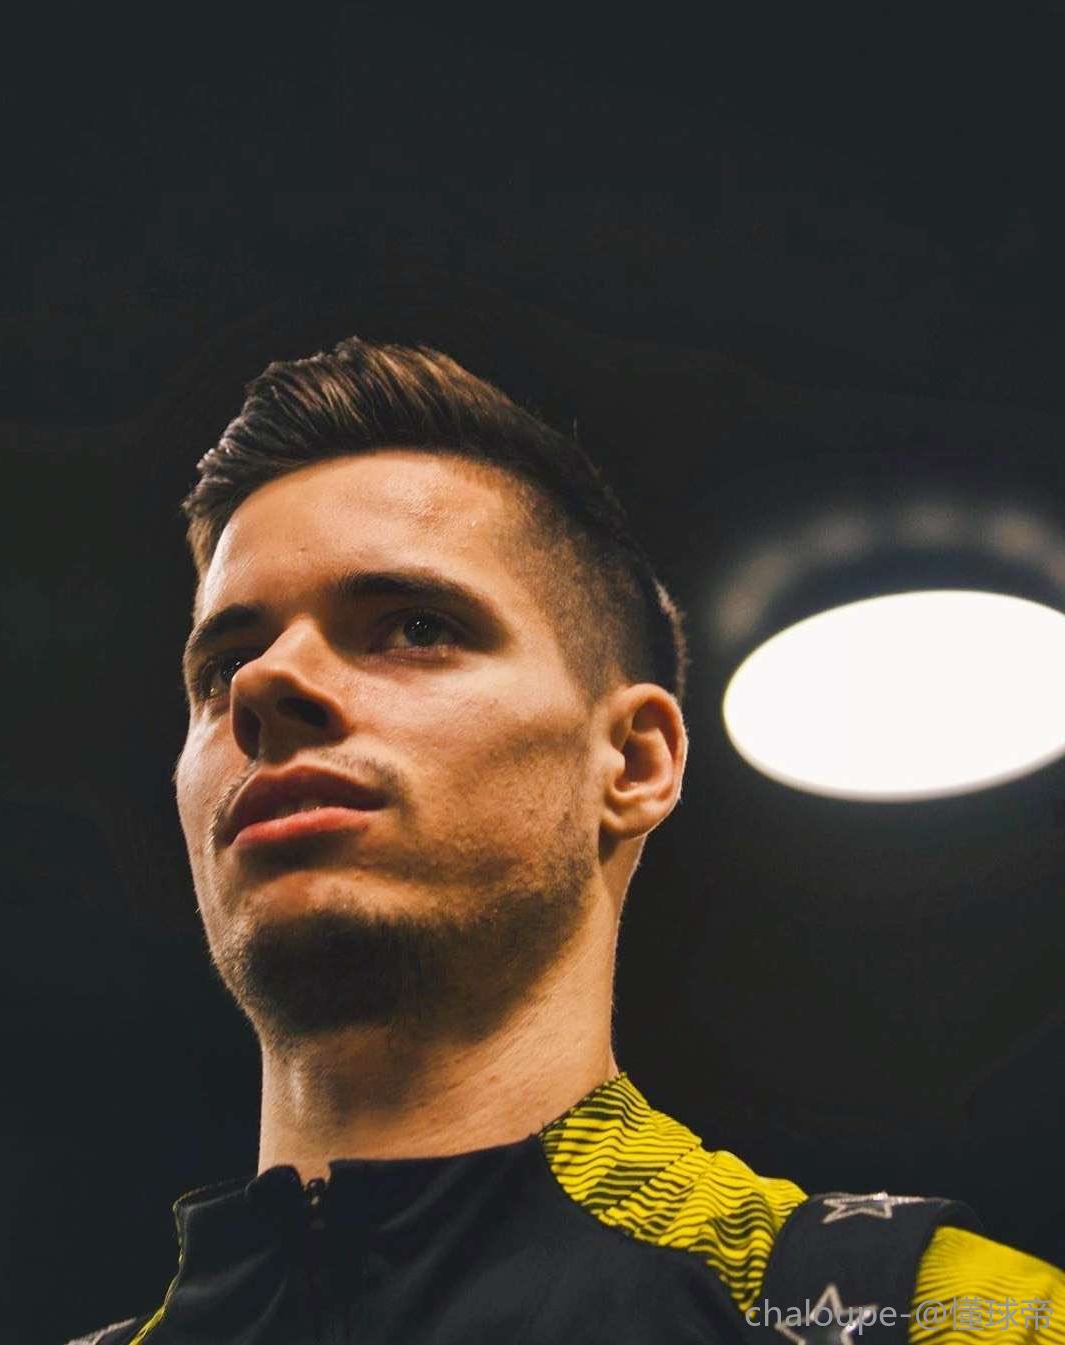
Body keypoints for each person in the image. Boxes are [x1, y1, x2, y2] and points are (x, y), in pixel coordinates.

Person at [67, 339, 1063, 1345]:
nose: (264, 685)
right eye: (224, 664)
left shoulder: (938, 1318)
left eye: (414, 626)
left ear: (631, 761)